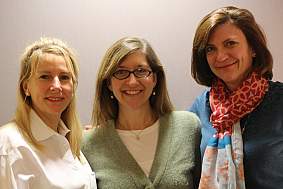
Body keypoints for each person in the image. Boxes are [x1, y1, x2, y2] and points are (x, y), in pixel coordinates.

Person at [82, 37, 201, 189]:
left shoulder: (188, 127)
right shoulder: (89, 143)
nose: (132, 82)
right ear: (109, 83)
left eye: (141, 71)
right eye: (121, 72)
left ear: (155, 79)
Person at [188, 6, 283, 189]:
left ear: (253, 48)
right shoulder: (201, 107)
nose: (220, 56)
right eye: (210, 49)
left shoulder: (279, 101)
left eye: (230, 43)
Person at [0, 37, 97, 189]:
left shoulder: (70, 140)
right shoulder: (8, 147)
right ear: (26, 87)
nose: (56, 86)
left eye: (64, 77)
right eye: (45, 77)